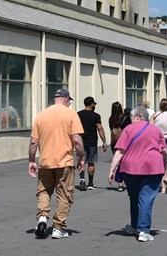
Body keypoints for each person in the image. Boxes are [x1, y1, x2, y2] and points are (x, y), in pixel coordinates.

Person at [28, 88, 85, 240]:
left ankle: (42, 218)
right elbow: (77, 140)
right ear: (67, 99)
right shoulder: (71, 114)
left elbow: (34, 142)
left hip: (45, 162)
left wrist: (32, 161)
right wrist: (81, 157)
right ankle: (58, 228)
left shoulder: (41, 115)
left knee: (44, 191)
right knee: (64, 194)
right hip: (64, 162)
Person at [108, 105, 167, 242]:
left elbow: (120, 151)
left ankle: (135, 226)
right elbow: (164, 151)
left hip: (130, 168)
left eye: (131, 117)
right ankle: (144, 230)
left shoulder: (128, 129)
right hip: (152, 168)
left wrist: (112, 169)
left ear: (137, 117)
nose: (130, 120)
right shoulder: (156, 130)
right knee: (146, 198)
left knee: (134, 197)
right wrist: (164, 166)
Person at [77, 96, 107, 191]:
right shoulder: (96, 116)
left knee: (81, 161)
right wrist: (104, 141)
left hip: (80, 141)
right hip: (92, 142)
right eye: (94, 104)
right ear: (91, 104)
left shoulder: (78, 115)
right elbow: (100, 128)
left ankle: (82, 179)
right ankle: (90, 183)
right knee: (91, 162)